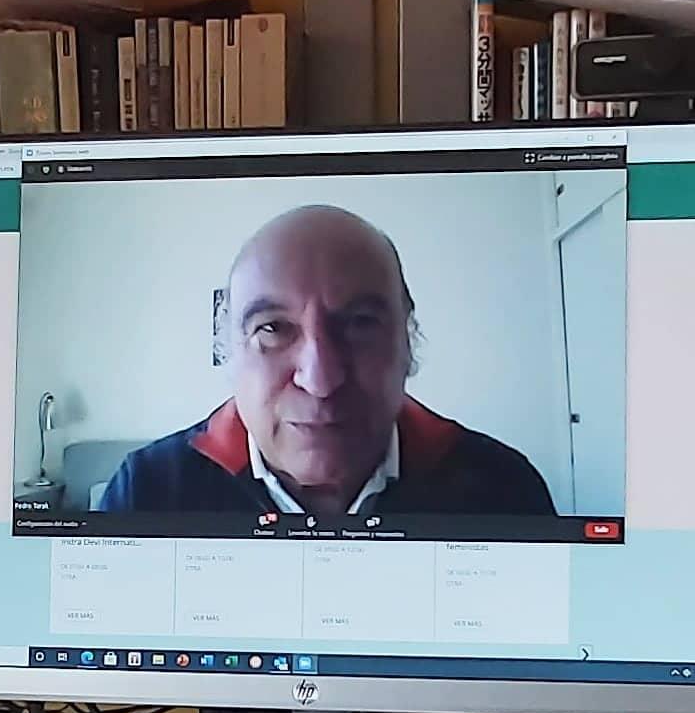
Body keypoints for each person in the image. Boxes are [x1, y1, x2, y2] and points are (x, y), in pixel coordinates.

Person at [98, 205, 556, 517]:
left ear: (408, 342)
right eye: (272, 329)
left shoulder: (503, 490)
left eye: (359, 323)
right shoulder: (147, 493)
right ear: (228, 352)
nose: (320, 380)